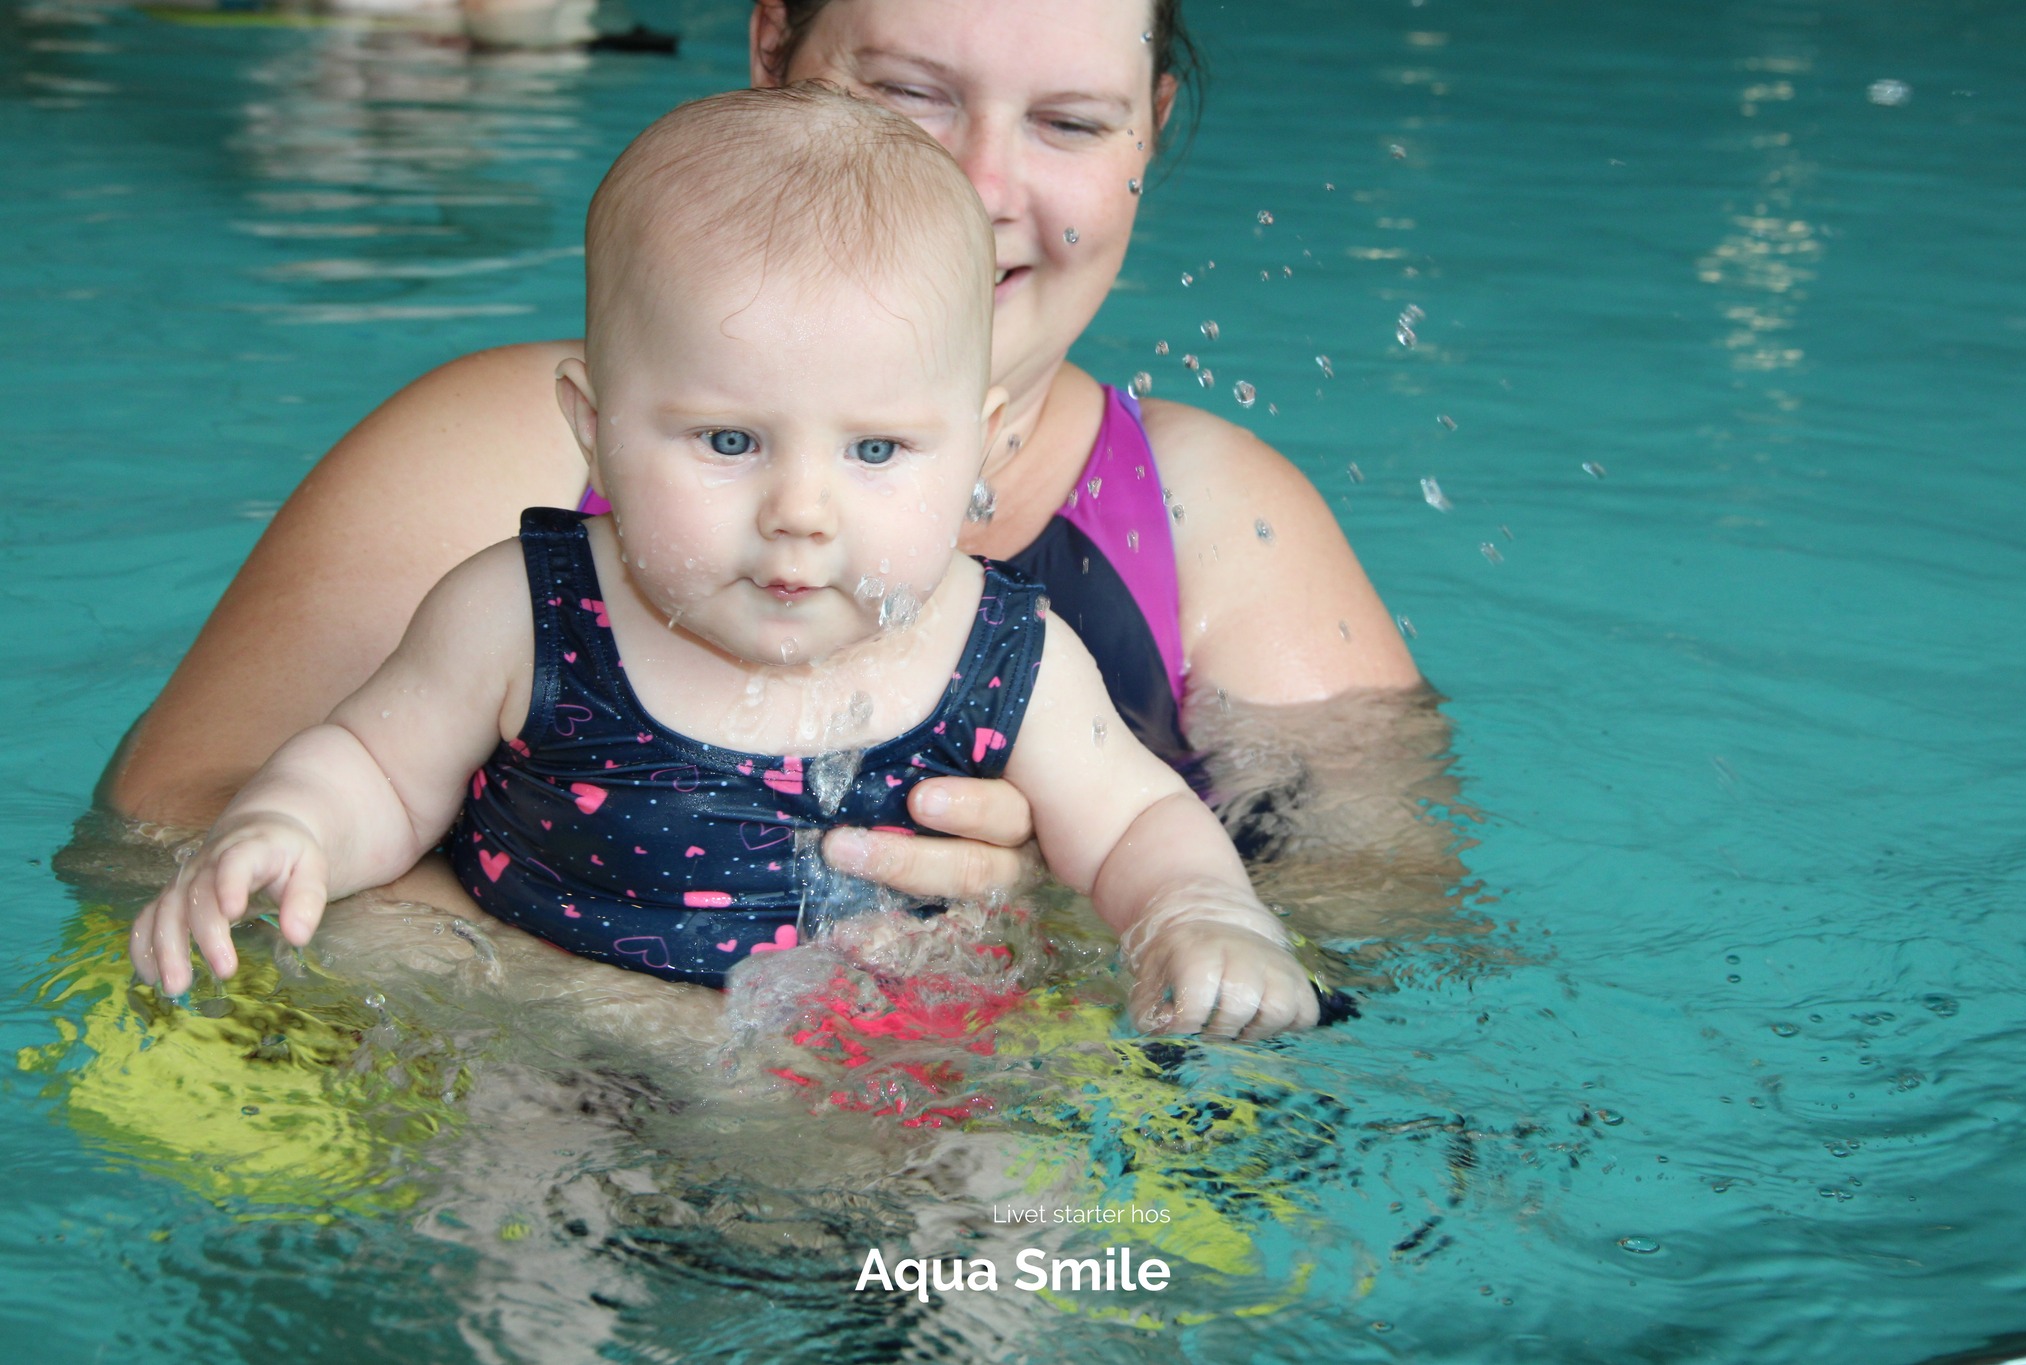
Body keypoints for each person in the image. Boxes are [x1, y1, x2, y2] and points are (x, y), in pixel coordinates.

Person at [102, 0, 1420, 917]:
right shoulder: (505, 460)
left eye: (1072, 123)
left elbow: (1396, 935)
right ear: (770, 50)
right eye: (905, 93)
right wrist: (583, 945)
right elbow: (146, 846)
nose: (975, 186)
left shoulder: (1213, 528)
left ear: (1151, 129)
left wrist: (1063, 924)